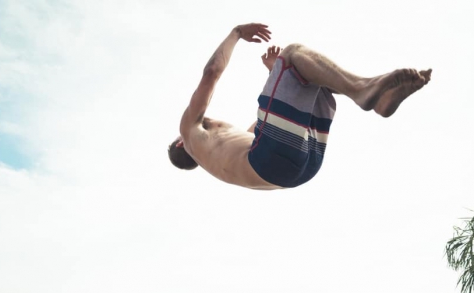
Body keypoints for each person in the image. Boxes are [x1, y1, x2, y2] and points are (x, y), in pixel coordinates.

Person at [169, 23, 431, 190]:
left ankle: (376, 94)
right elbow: (211, 73)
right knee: (293, 53)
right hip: (267, 159)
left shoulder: (220, 156)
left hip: (301, 170)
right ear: (181, 143)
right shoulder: (189, 131)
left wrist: (276, 74)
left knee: (312, 78)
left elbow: (274, 119)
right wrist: (236, 33)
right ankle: (364, 90)